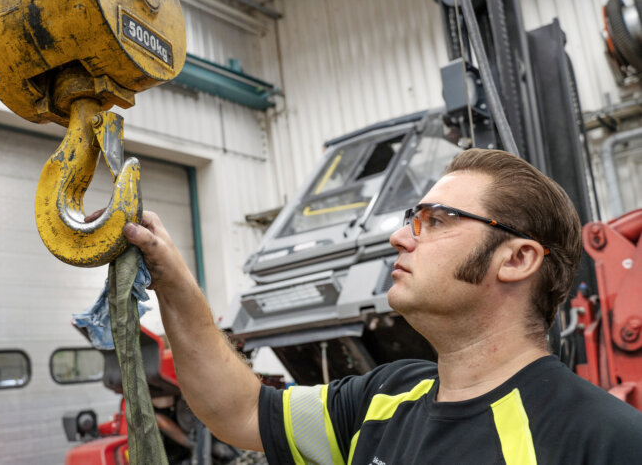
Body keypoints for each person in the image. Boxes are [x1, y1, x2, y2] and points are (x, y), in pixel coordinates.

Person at [123, 148, 642, 464]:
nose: (398, 238)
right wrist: (172, 279)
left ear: (518, 258)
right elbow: (237, 410)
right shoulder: (386, 397)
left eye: (436, 221)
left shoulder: (604, 441)